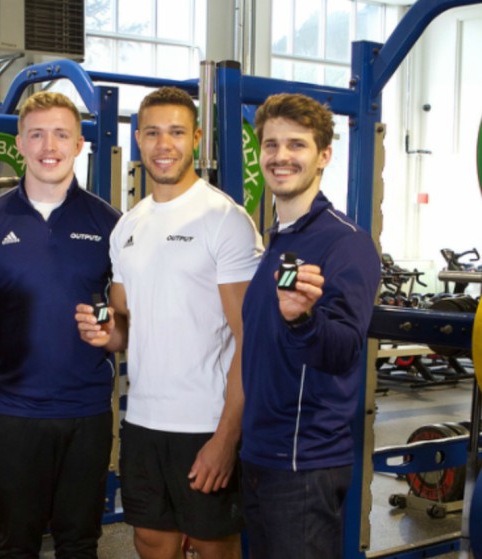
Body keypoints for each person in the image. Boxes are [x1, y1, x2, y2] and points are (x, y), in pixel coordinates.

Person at [76, 86, 263, 559]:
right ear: (138, 139)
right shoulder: (128, 227)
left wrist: (226, 439)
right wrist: (103, 333)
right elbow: (124, 328)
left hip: (204, 422)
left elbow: (252, 341)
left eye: (177, 132)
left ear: (196, 138)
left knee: (213, 544)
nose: (165, 144)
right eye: (154, 133)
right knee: (151, 541)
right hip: (142, 420)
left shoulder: (225, 220)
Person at [0, 91, 121, 558]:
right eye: (38, 134)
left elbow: (126, 303)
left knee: (80, 542)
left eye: (61, 134)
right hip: (16, 412)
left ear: (79, 144)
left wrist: (104, 328)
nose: (50, 145)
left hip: (86, 411)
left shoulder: (110, 223)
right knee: (17, 543)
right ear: (20, 145)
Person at [238, 93, 380, 559]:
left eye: (296, 145)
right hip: (260, 454)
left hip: (305, 464)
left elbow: (342, 352)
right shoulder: (279, 239)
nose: (281, 156)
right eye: (272, 145)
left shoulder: (346, 243)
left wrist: (303, 318)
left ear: (324, 156)